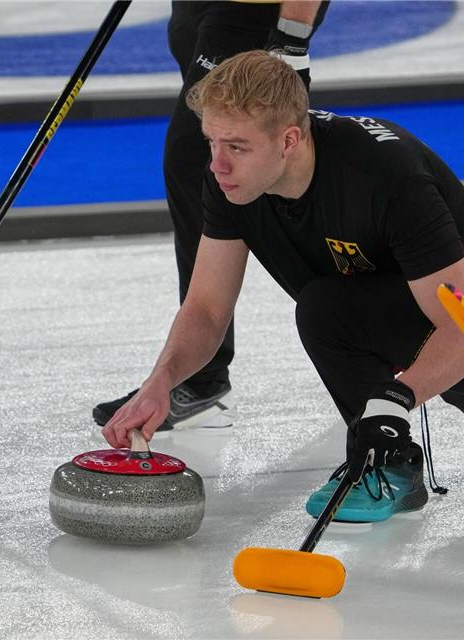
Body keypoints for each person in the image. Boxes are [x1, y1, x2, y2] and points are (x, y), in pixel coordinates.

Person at [101, 49, 464, 525]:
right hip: (414, 321)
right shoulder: (231, 183)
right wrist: (161, 382)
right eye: (211, 143)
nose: (218, 164)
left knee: (326, 308)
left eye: (237, 147)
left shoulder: (381, 174)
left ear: (290, 140)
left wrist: (394, 402)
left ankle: (385, 464)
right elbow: (205, 309)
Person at [93, 0, 327, 433]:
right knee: (216, 162)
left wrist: (291, 35)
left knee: (204, 158)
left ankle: (202, 372)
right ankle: (360, 328)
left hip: (251, 12)